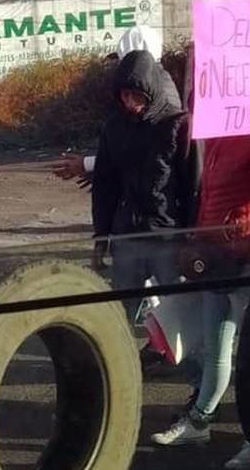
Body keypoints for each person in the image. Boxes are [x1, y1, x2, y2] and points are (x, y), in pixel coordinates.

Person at [150, 111, 250, 470]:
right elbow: (210, 199)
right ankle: (200, 423)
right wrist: (197, 242)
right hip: (216, 258)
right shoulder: (219, 132)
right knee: (216, 349)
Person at [91, 50, 189, 311]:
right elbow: (104, 185)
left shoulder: (176, 125)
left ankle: (168, 353)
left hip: (167, 234)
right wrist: (101, 236)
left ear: (151, 91)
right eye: (125, 95)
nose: (130, 102)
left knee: (178, 311)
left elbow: (193, 185)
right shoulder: (113, 128)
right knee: (121, 312)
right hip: (127, 236)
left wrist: (193, 237)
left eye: (137, 95)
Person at [52, 25, 170, 184]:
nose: (129, 100)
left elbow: (144, 154)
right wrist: (98, 171)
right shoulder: (156, 85)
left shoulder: (161, 95)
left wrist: (89, 165)